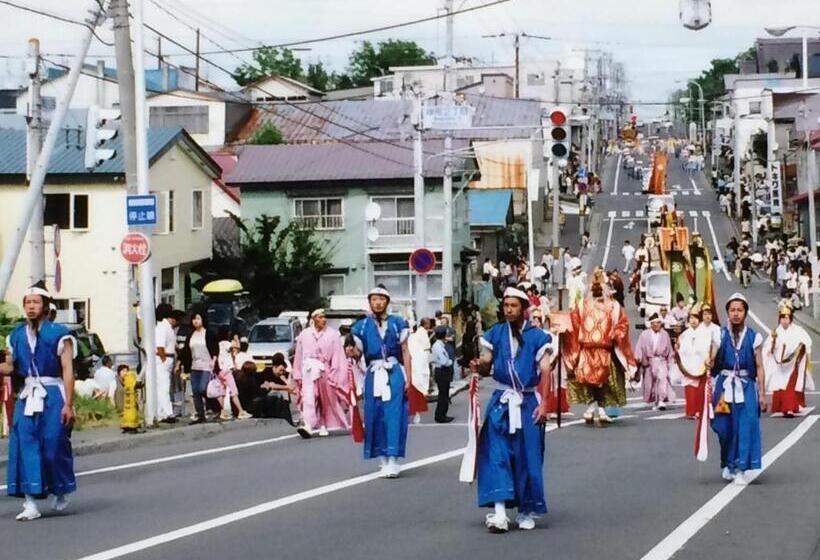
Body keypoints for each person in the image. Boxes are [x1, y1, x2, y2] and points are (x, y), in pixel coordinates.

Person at [469, 287, 552, 533]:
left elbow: (546, 370)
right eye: (506, 306)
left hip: (527, 402)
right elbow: (486, 362)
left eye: (514, 306)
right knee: (495, 454)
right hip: (501, 401)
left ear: (523, 308)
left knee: (528, 456)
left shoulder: (539, 336)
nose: (509, 310)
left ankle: (526, 509)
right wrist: (479, 365)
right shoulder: (494, 333)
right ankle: (500, 513)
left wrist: (545, 402)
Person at [0, 282, 76, 521]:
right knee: (24, 443)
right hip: (27, 394)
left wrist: (68, 403)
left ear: (44, 306)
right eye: (27, 303)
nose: (31, 307)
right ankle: (30, 502)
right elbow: (11, 366)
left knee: (54, 443)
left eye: (35, 302)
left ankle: (59, 488)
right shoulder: (16, 335)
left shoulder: (59, 333)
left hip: (52, 392)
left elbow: (67, 370)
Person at [350, 286, 412, 478]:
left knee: (394, 415)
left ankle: (393, 458)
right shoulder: (361, 326)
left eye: (381, 299)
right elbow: (359, 354)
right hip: (373, 373)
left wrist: (409, 378)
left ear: (387, 301)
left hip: (393, 371)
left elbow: (405, 352)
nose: (377, 303)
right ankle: (382, 459)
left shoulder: (397, 323)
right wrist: (352, 353)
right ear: (370, 302)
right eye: (374, 299)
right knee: (374, 414)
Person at [564, 269, 637, 425]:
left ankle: (600, 408)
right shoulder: (587, 306)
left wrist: (616, 333)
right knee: (590, 381)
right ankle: (592, 407)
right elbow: (573, 324)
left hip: (603, 350)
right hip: (590, 350)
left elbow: (622, 325)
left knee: (603, 381)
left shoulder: (611, 306)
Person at [711, 293, 766, 486]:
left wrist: (762, 393)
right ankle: (728, 463)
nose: (736, 314)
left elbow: (759, 366)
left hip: (746, 387)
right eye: (732, 310)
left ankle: (742, 468)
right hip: (724, 387)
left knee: (745, 426)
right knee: (724, 427)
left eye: (739, 310)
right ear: (727, 312)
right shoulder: (720, 335)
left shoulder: (754, 337)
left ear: (745, 313)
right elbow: (712, 359)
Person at [292, 308, 348, 438]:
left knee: (324, 398)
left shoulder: (333, 334)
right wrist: (297, 373)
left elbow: (337, 355)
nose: (323, 319)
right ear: (314, 319)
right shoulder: (304, 334)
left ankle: (323, 423)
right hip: (308, 369)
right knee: (310, 397)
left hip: (324, 368)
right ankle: (308, 424)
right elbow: (298, 355)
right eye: (320, 317)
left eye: (324, 317)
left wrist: (335, 372)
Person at [763, 301, 813, 417]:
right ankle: (782, 405)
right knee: (780, 383)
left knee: (790, 384)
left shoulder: (798, 330)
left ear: (790, 318)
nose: (784, 320)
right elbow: (768, 348)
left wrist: (801, 349)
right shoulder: (776, 332)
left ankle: (789, 407)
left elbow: (806, 342)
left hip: (793, 363)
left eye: (787, 318)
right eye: (782, 318)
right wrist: (772, 346)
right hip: (780, 365)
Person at [676, 305, 713, 419]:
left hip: (701, 364)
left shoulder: (706, 333)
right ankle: (691, 411)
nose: (693, 320)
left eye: (696, 318)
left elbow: (708, 349)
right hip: (689, 364)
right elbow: (681, 350)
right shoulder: (684, 335)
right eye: (691, 318)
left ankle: (700, 411)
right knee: (690, 387)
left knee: (701, 389)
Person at [182, 311, 218, 425]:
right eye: (193, 319)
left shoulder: (208, 333)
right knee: (195, 391)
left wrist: (214, 360)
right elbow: (186, 351)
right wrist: (182, 365)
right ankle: (200, 414)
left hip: (206, 365)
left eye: (198, 318)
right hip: (194, 365)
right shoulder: (191, 334)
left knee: (203, 388)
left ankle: (216, 407)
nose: (196, 321)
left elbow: (214, 348)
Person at [635, 314, 675, 410]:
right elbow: (639, 347)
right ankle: (655, 400)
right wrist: (638, 357)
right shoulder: (644, 334)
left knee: (662, 378)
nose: (657, 325)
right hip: (649, 361)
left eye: (658, 323)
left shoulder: (665, 334)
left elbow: (669, 349)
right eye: (654, 323)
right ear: (651, 324)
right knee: (650, 383)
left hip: (661, 360)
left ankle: (661, 400)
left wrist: (670, 361)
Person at [153, 303, 178, 423]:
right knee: (164, 386)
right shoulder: (163, 327)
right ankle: (167, 413)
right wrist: (164, 359)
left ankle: (161, 413)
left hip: (165, 358)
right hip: (164, 358)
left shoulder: (164, 327)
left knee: (161, 386)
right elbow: (160, 346)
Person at [407, 318, 433, 423]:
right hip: (418, 364)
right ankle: (415, 413)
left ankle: (415, 413)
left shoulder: (416, 335)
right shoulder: (420, 334)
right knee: (416, 391)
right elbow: (423, 349)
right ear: (426, 324)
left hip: (417, 364)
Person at [431, 326, 454, 423]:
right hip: (442, 371)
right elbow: (444, 361)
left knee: (444, 393)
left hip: (442, 371)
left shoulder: (440, 345)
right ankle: (441, 416)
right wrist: (450, 362)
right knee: (443, 395)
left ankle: (441, 414)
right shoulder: (438, 346)